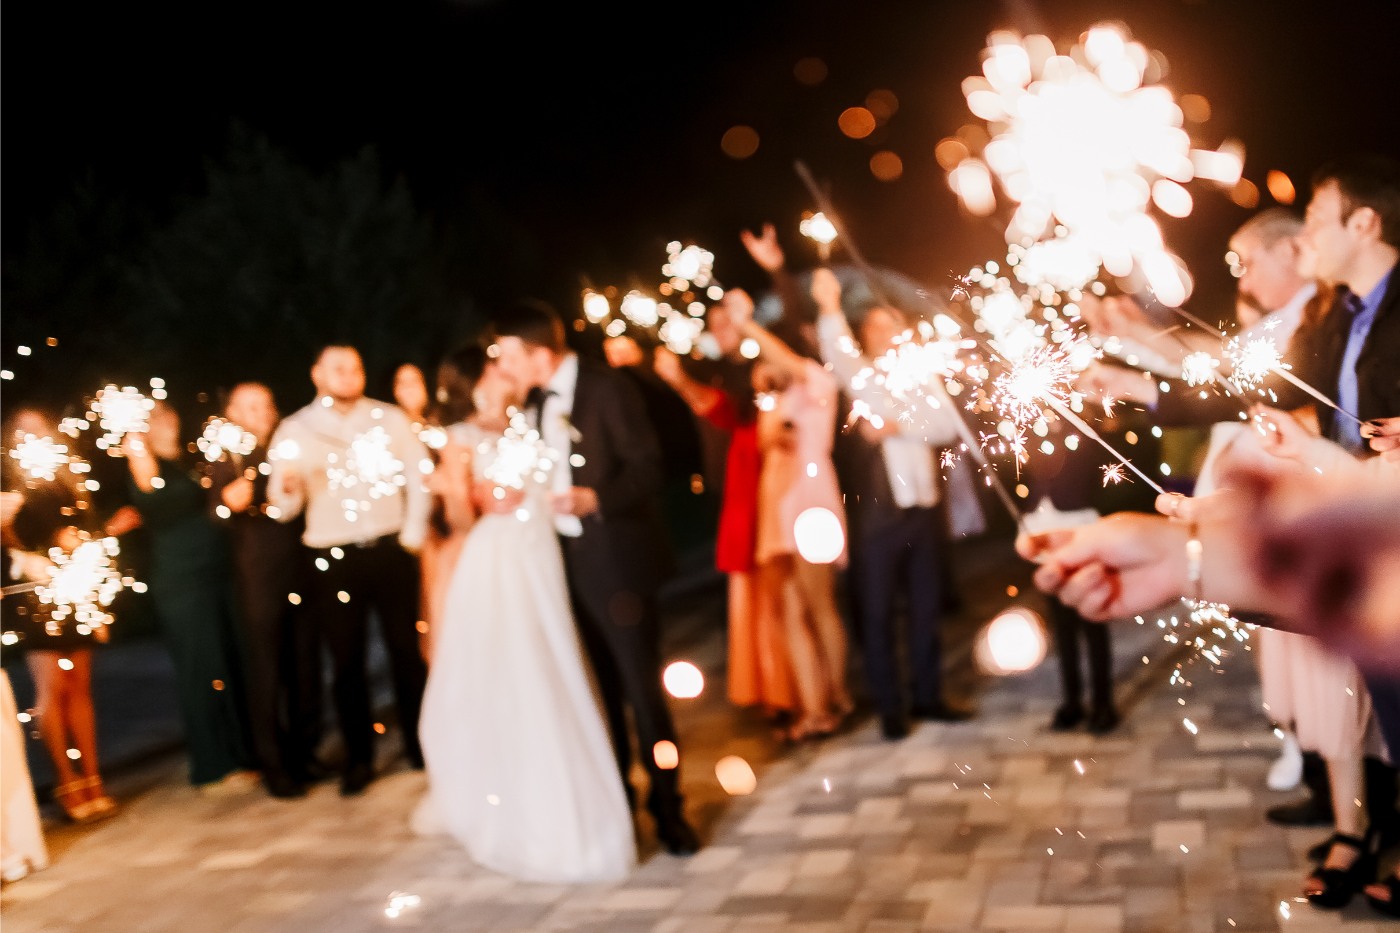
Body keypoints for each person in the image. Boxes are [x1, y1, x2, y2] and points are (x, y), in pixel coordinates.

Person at [412, 350, 636, 882]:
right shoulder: (461, 437)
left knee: (558, 663)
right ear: (476, 380)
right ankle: (526, 798)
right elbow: (460, 519)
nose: (504, 370)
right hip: (500, 561)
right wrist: (469, 491)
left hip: (544, 554)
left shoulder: (530, 419)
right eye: (493, 366)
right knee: (520, 671)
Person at [489, 298, 700, 856]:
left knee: (641, 691)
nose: (502, 365)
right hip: (564, 567)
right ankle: (618, 807)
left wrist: (597, 497)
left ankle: (668, 805)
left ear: (537, 353)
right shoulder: (531, 407)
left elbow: (649, 465)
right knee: (598, 695)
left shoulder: (609, 389)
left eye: (507, 354)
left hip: (617, 564)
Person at [809, 268, 971, 739]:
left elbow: (947, 427)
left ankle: (929, 695)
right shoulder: (865, 379)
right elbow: (837, 352)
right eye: (877, 327)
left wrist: (899, 424)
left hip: (922, 512)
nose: (887, 332)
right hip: (880, 516)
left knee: (925, 609)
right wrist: (828, 305)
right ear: (867, 336)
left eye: (893, 324)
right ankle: (890, 709)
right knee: (878, 613)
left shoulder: (923, 377)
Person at [266, 345, 432, 796]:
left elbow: (419, 477)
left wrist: (412, 534)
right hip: (331, 554)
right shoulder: (296, 429)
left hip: (390, 546)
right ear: (317, 373)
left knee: (405, 650)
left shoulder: (389, 419)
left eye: (355, 367)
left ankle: (422, 745)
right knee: (346, 659)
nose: (348, 374)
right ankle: (360, 757)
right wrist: (287, 490)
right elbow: (282, 508)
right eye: (337, 368)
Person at [652, 296, 797, 724]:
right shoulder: (714, 368)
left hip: (767, 488)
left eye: (725, 322)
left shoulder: (757, 368)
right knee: (749, 599)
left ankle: (792, 691)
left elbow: (724, 409)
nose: (719, 331)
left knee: (778, 598)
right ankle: (775, 691)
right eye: (713, 324)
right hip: (734, 489)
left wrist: (681, 382)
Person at [726, 287, 853, 742]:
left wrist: (746, 325)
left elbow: (786, 359)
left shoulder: (817, 382)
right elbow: (763, 444)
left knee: (819, 604)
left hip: (812, 502)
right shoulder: (773, 400)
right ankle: (815, 705)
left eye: (769, 355)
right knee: (792, 610)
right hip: (778, 507)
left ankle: (835, 697)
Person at [123, 401, 258, 793]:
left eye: (169, 414)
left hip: (217, 572)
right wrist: (136, 441)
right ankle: (212, 765)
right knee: (202, 669)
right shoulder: (144, 461)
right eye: (156, 417)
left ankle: (241, 751)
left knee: (230, 662)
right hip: (183, 580)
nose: (166, 421)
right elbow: (150, 491)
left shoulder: (187, 460)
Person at [206, 382, 323, 798]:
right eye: (249, 406)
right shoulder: (227, 456)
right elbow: (216, 513)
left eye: (265, 404)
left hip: (301, 565)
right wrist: (227, 502)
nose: (260, 412)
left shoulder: (291, 444)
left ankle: (306, 750)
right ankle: (274, 763)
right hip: (258, 573)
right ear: (234, 412)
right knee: (267, 669)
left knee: (305, 663)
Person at [1, 408, 119, 822]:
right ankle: (65, 782)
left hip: (76, 590)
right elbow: (12, 540)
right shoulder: (12, 486)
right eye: (24, 429)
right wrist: (14, 532)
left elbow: (84, 530)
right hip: (34, 593)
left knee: (79, 685)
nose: (33, 434)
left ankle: (93, 777)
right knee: (52, 689)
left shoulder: (68, 480)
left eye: (39, 427)